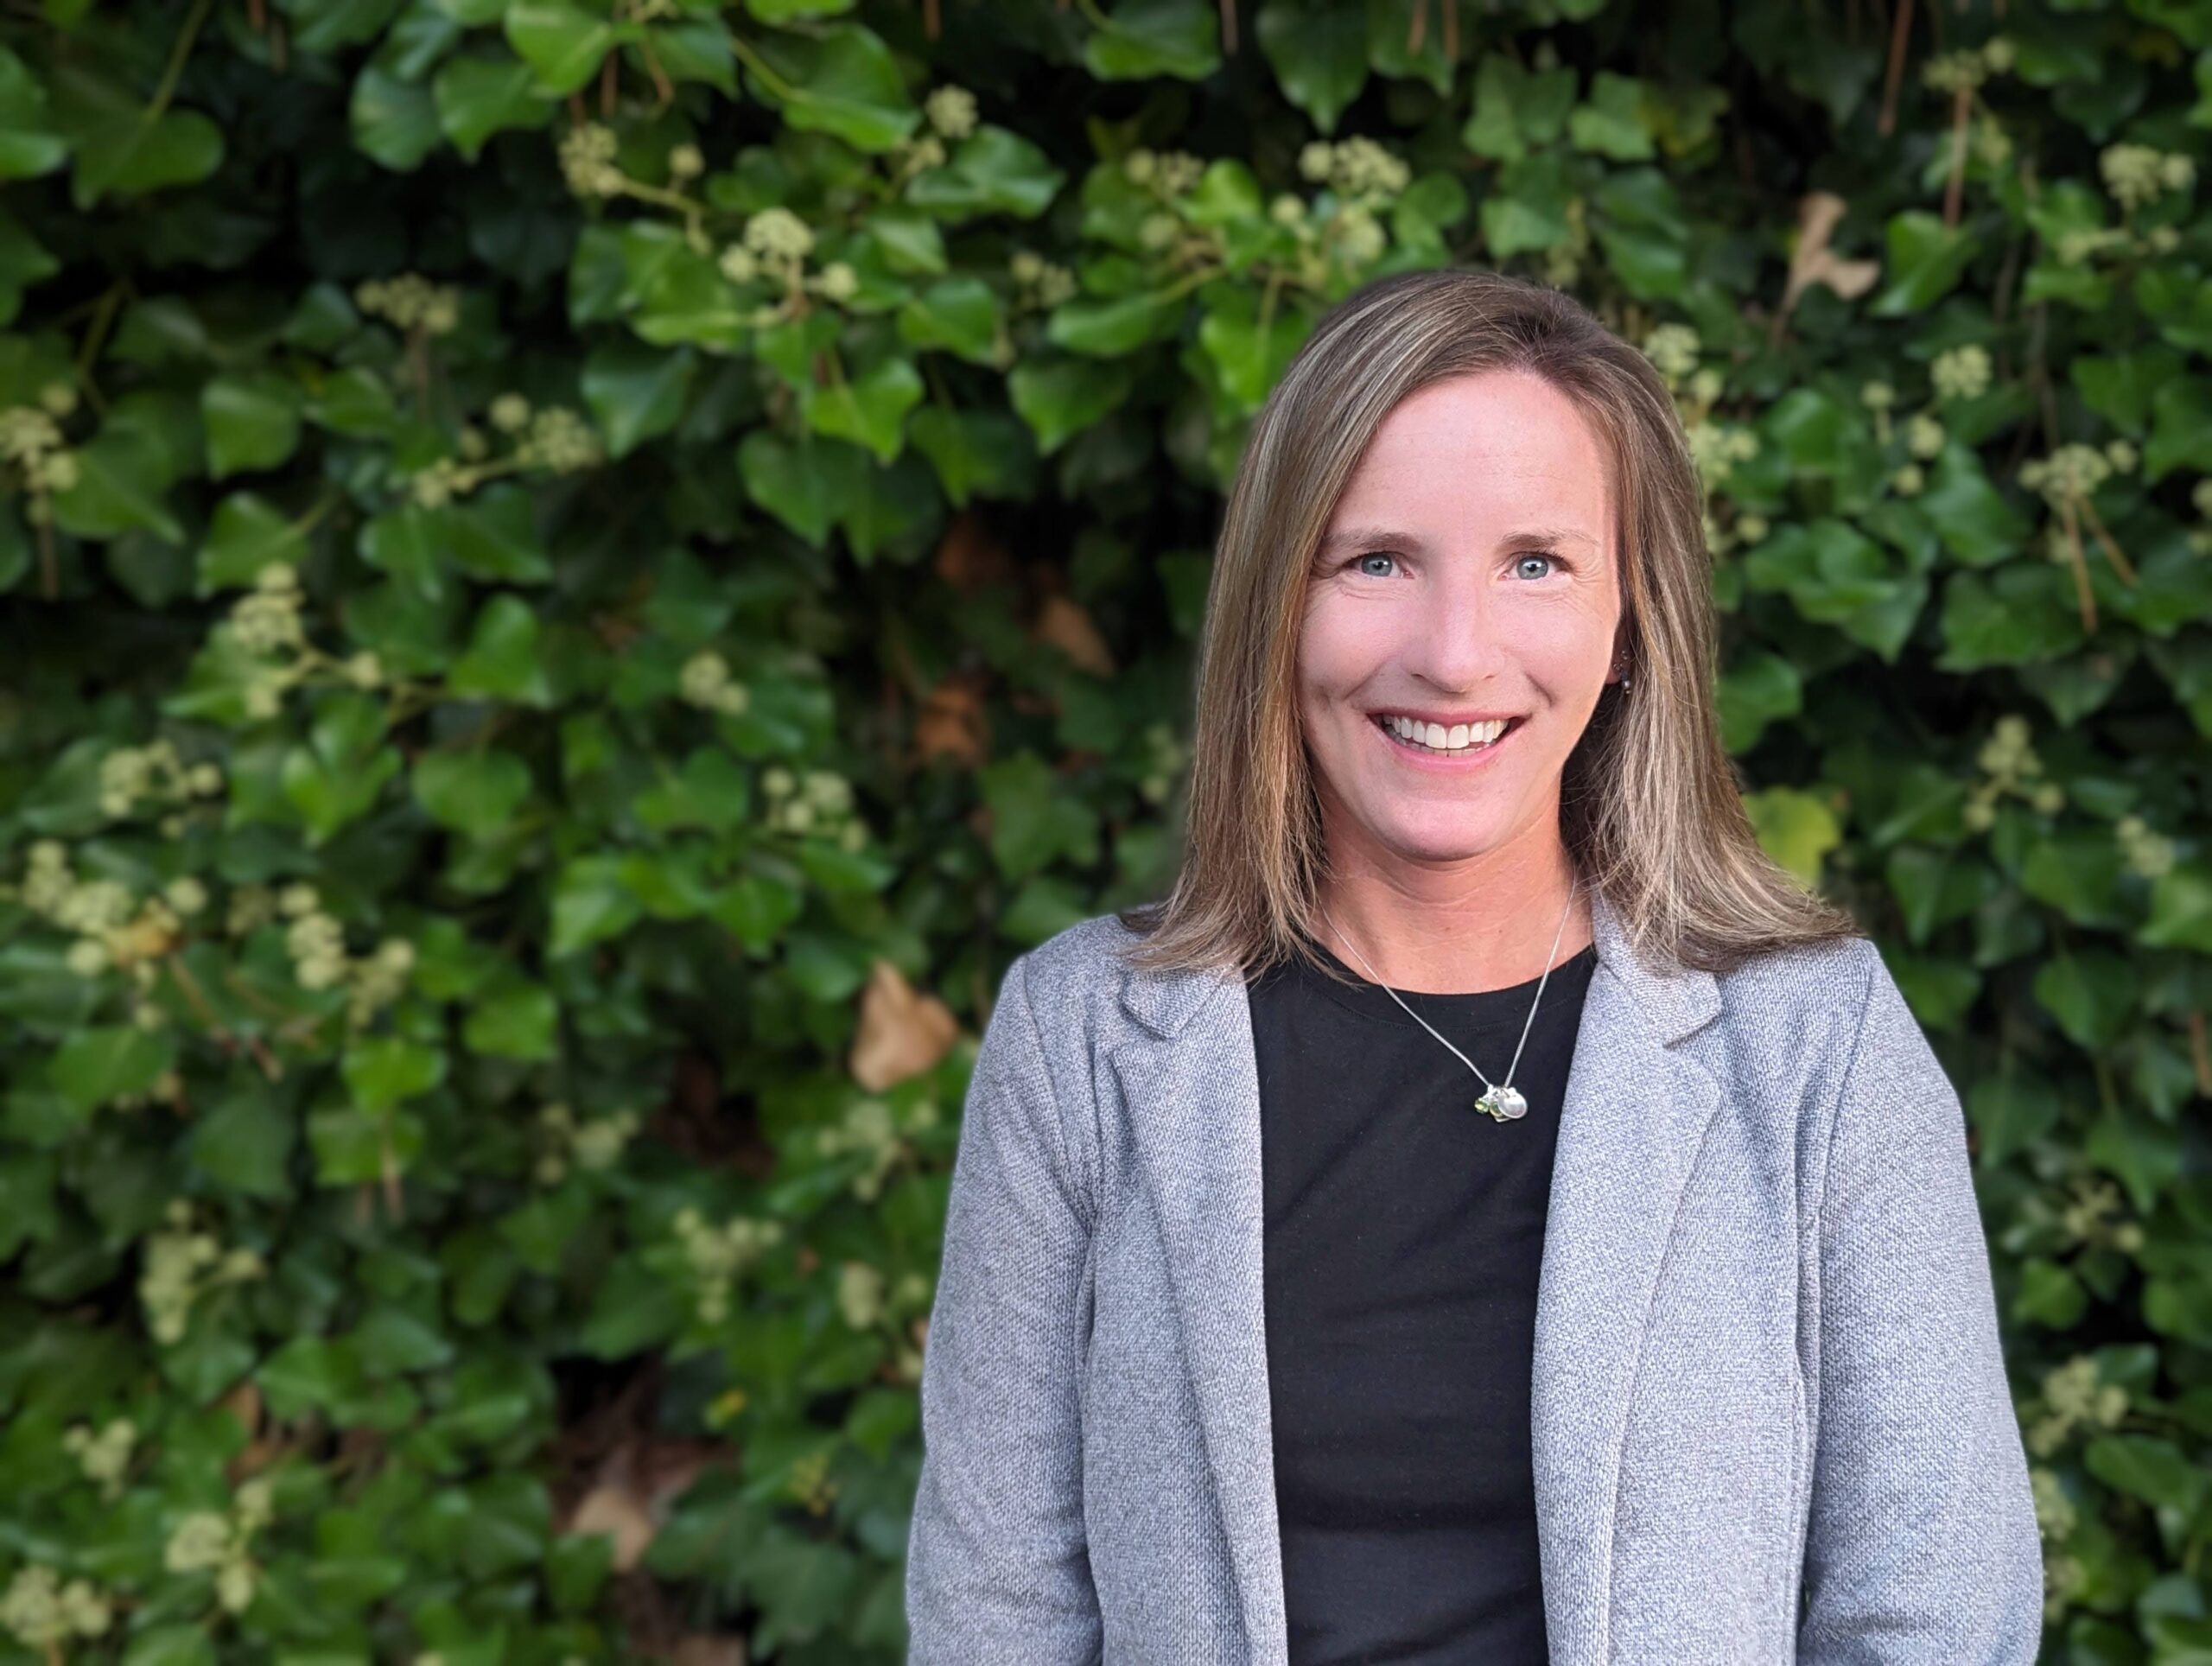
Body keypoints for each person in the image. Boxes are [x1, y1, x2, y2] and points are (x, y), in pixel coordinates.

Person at [903, 268, 2044, 1663]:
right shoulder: (1083, 1041)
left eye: (1535, 564)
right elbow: (998, 1616)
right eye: (1376, 561)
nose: (1454, 656)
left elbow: (1935, 1613)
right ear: (1276, 606)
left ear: (1630, 623)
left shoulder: (1817, 1049)